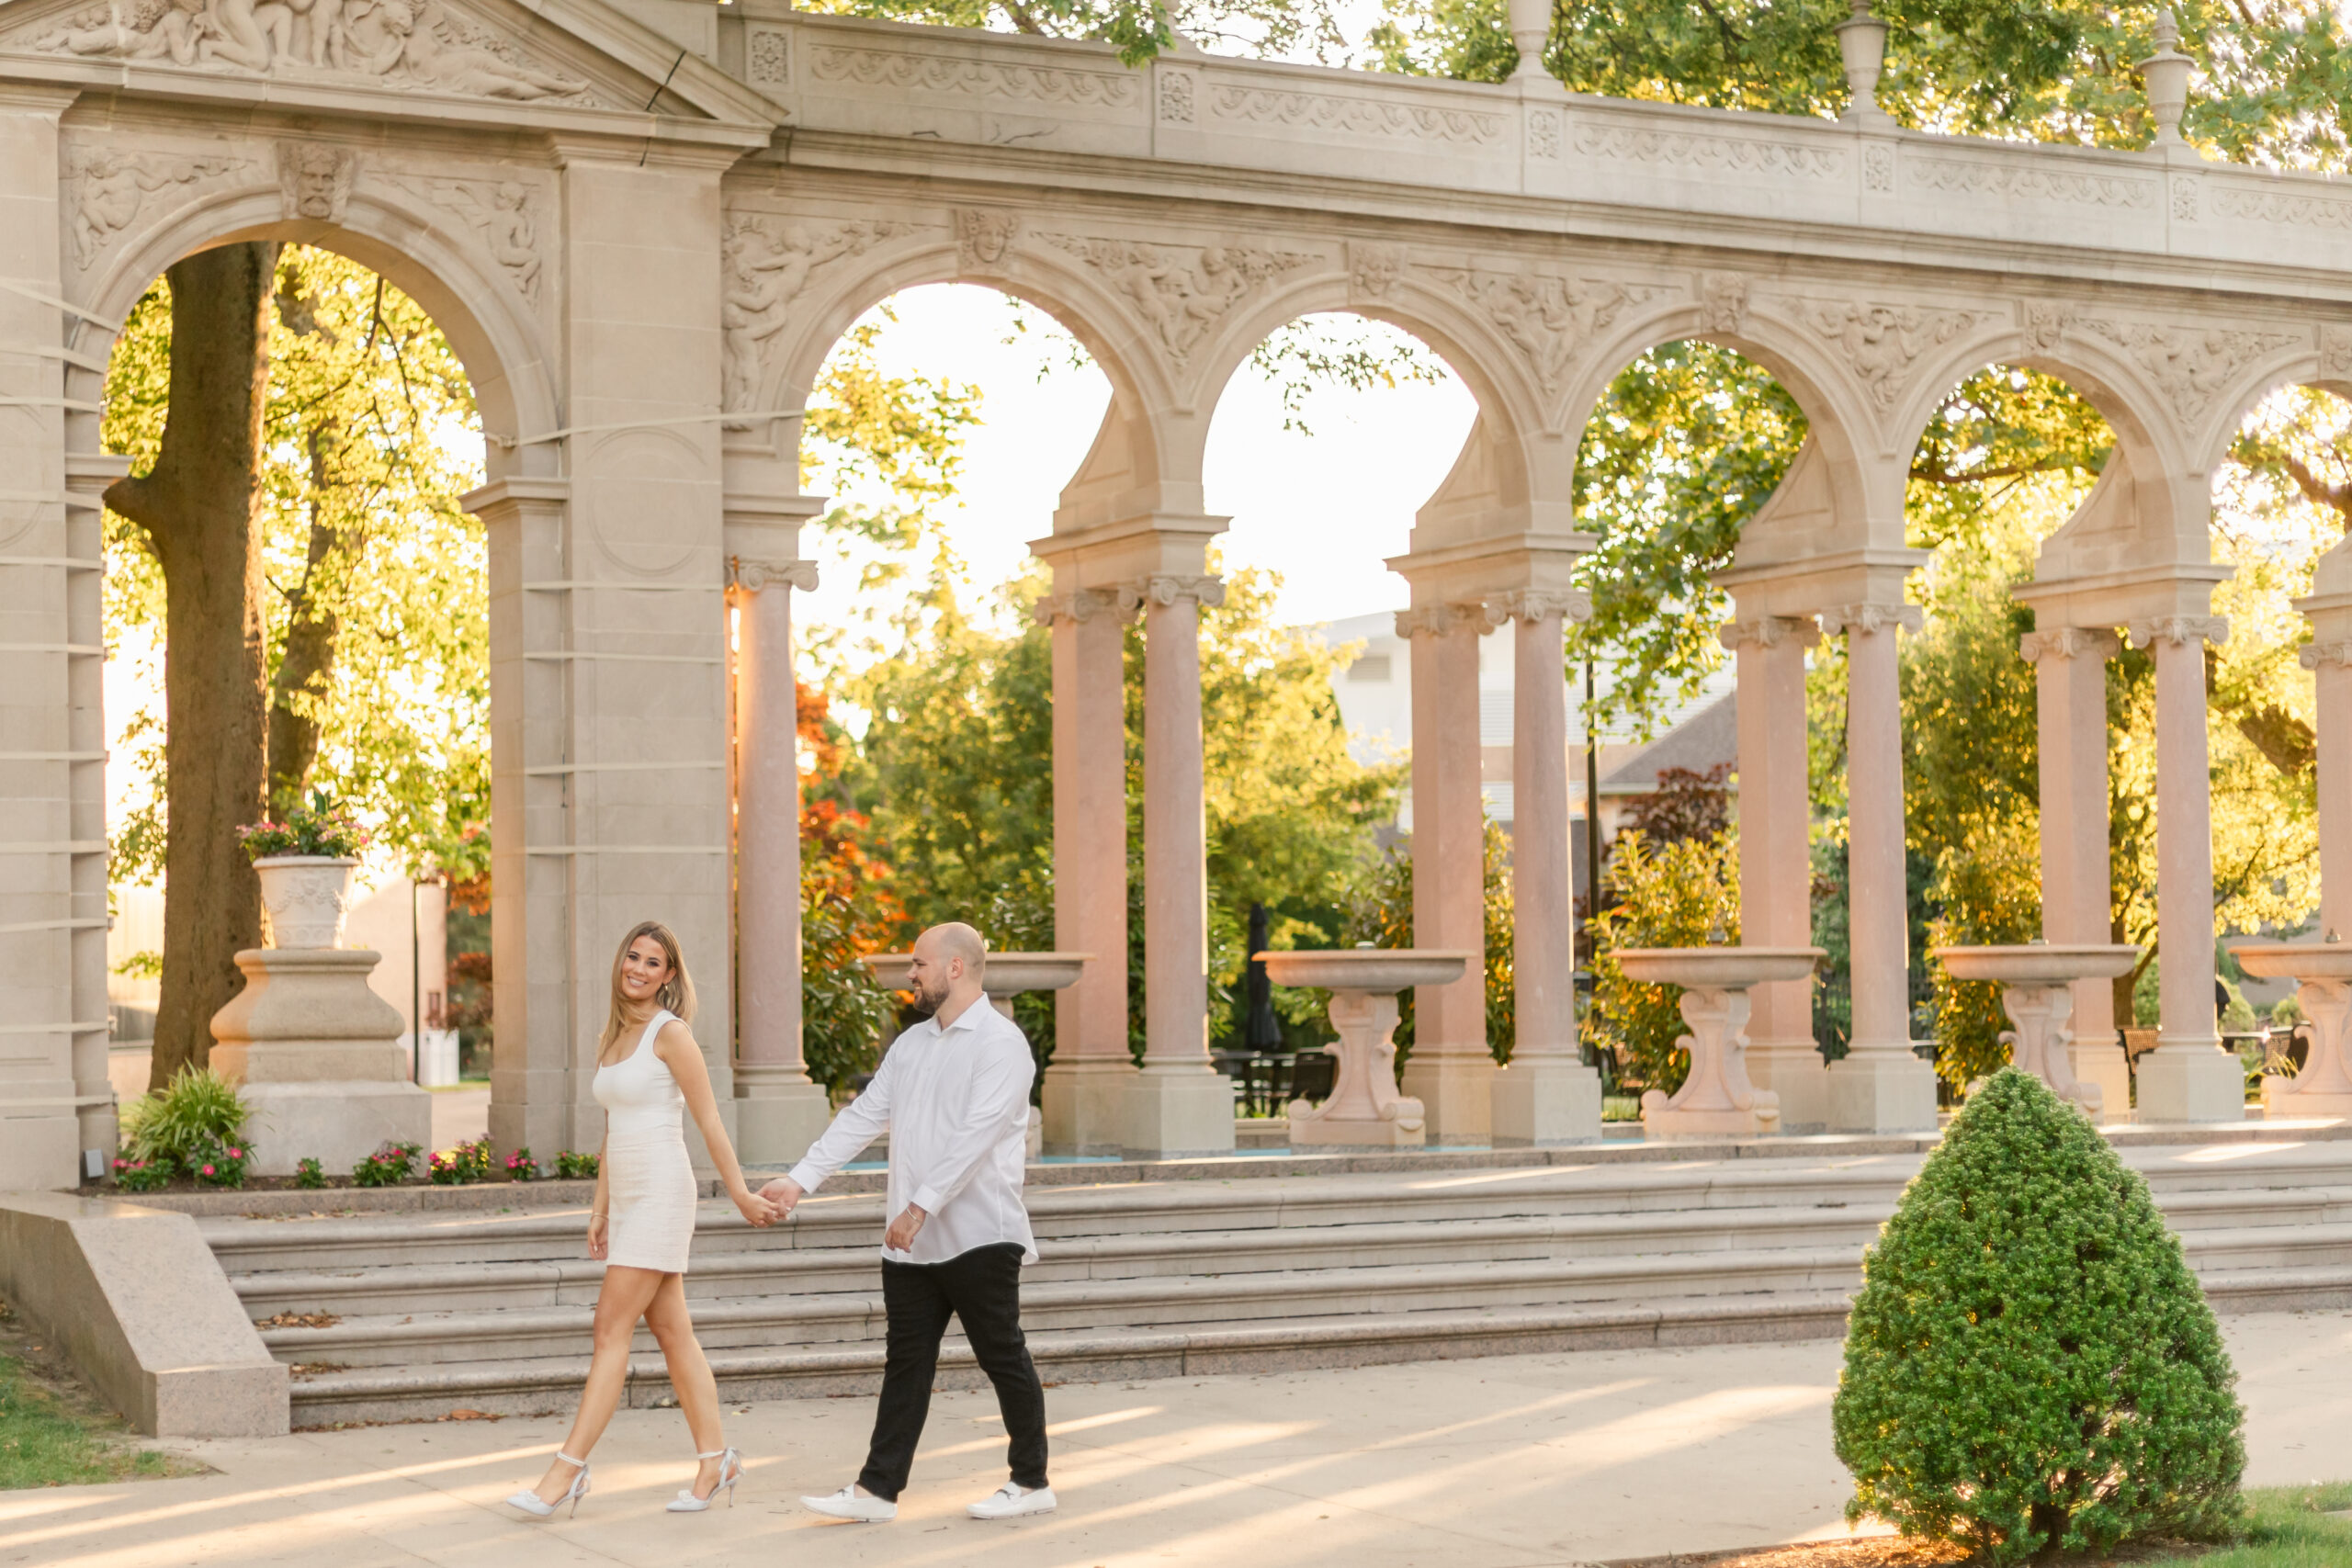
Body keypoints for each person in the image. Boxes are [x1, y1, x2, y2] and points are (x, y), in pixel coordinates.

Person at [762, 921, 1055, 1523]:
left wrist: (919, 1205)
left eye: (919, 963)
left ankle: (1032, 1482)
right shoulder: (912, 1044)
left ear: (955, 967)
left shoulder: (1002, 1045)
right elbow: (863, 1114)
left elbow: (976, 1139)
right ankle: (877, 1491)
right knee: (906, 1364)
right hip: (910, 1244)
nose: (910, 973)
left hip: (980, 1233)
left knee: (1002, 1354)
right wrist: (800, 1178)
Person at [507, 920, 779, 1518]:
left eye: (653, 962)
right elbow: (612, 1127)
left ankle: (566, 1471)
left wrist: (740, 1194)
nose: (638, 967)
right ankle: (716, 1459)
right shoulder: (613, 1032)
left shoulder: (670, 1032)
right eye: (633, 955)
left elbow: (708, 1120)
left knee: (609, 1328)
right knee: (673, 1333)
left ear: (669, 975)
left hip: (662, 1190)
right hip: (628, 1197)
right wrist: (600, 1207)